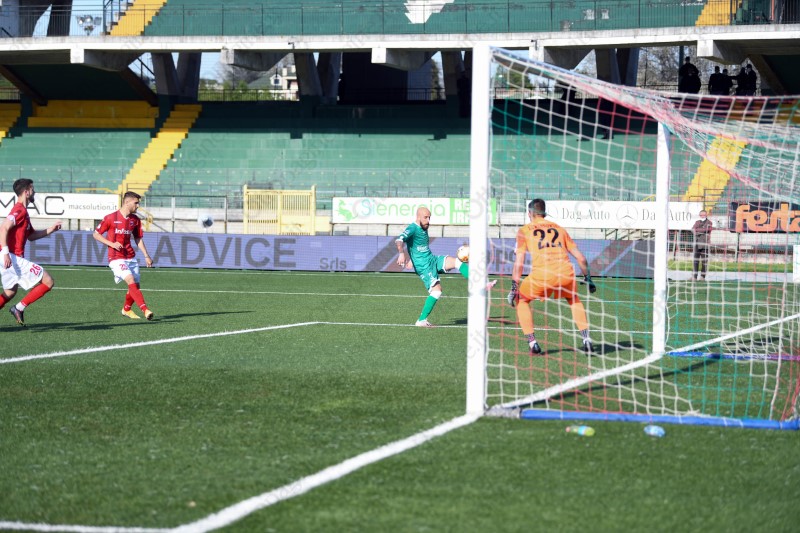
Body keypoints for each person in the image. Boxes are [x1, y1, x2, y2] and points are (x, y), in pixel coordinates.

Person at [507, 199, 595, 354]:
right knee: (573, 298)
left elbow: (519, 262)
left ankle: (532, 343)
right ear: (544, 213)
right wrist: (588, 278)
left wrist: (514, 287)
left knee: (522, 300)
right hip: (566, 275)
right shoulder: (560, 229)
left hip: (542, 277)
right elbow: (581, 258)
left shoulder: (524, 230)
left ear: (529, 213)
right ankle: (586, 339)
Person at [396, 206, 496, 327]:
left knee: (458, 262)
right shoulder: (412, 228)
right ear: (418, 217)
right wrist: (401, 254)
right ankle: (421, 320)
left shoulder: (423, 227)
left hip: (431, 259)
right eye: (425, 217)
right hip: (424, 266)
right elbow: (399, 240)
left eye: (429, 217)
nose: (428, 221)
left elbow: (416, 246)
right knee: (437, 291)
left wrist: (412, 259)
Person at [0, 179, 61, 326]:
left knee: (10, 291)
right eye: (32, 189)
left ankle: (17, 307)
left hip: (9, 257)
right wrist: (6, 253)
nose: (34, 192)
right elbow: (4, 228)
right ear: (26, 192)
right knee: (48, 281)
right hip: (11, 257)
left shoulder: (23, 212)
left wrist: (51, 229)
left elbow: (32, 236)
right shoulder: (19, 209)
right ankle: (18, 308)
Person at [93, 191, 155, 320]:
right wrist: (111, 244)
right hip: (116, 258)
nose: (138, 206)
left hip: (130, 257)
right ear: (127, 202)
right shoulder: (110, 218)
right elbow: (96, 234)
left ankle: (126, 309)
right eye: (136, 203)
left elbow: (138, 238)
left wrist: (146, 255)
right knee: (130, 280)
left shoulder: (135, 220)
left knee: (135, 286)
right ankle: (145, 309)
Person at [691, 209, 713, 281]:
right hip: (697, 244)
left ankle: (702, 277)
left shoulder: (709, 222)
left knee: (704, 261)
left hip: (705, 244)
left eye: (703, 214)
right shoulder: (697, 222)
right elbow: (693, 229)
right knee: (695, 261)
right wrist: (700, 230)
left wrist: (697, 230)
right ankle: (694, 277)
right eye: (701, 215)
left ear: (706, 215)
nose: (702, 216)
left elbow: (706, 230)